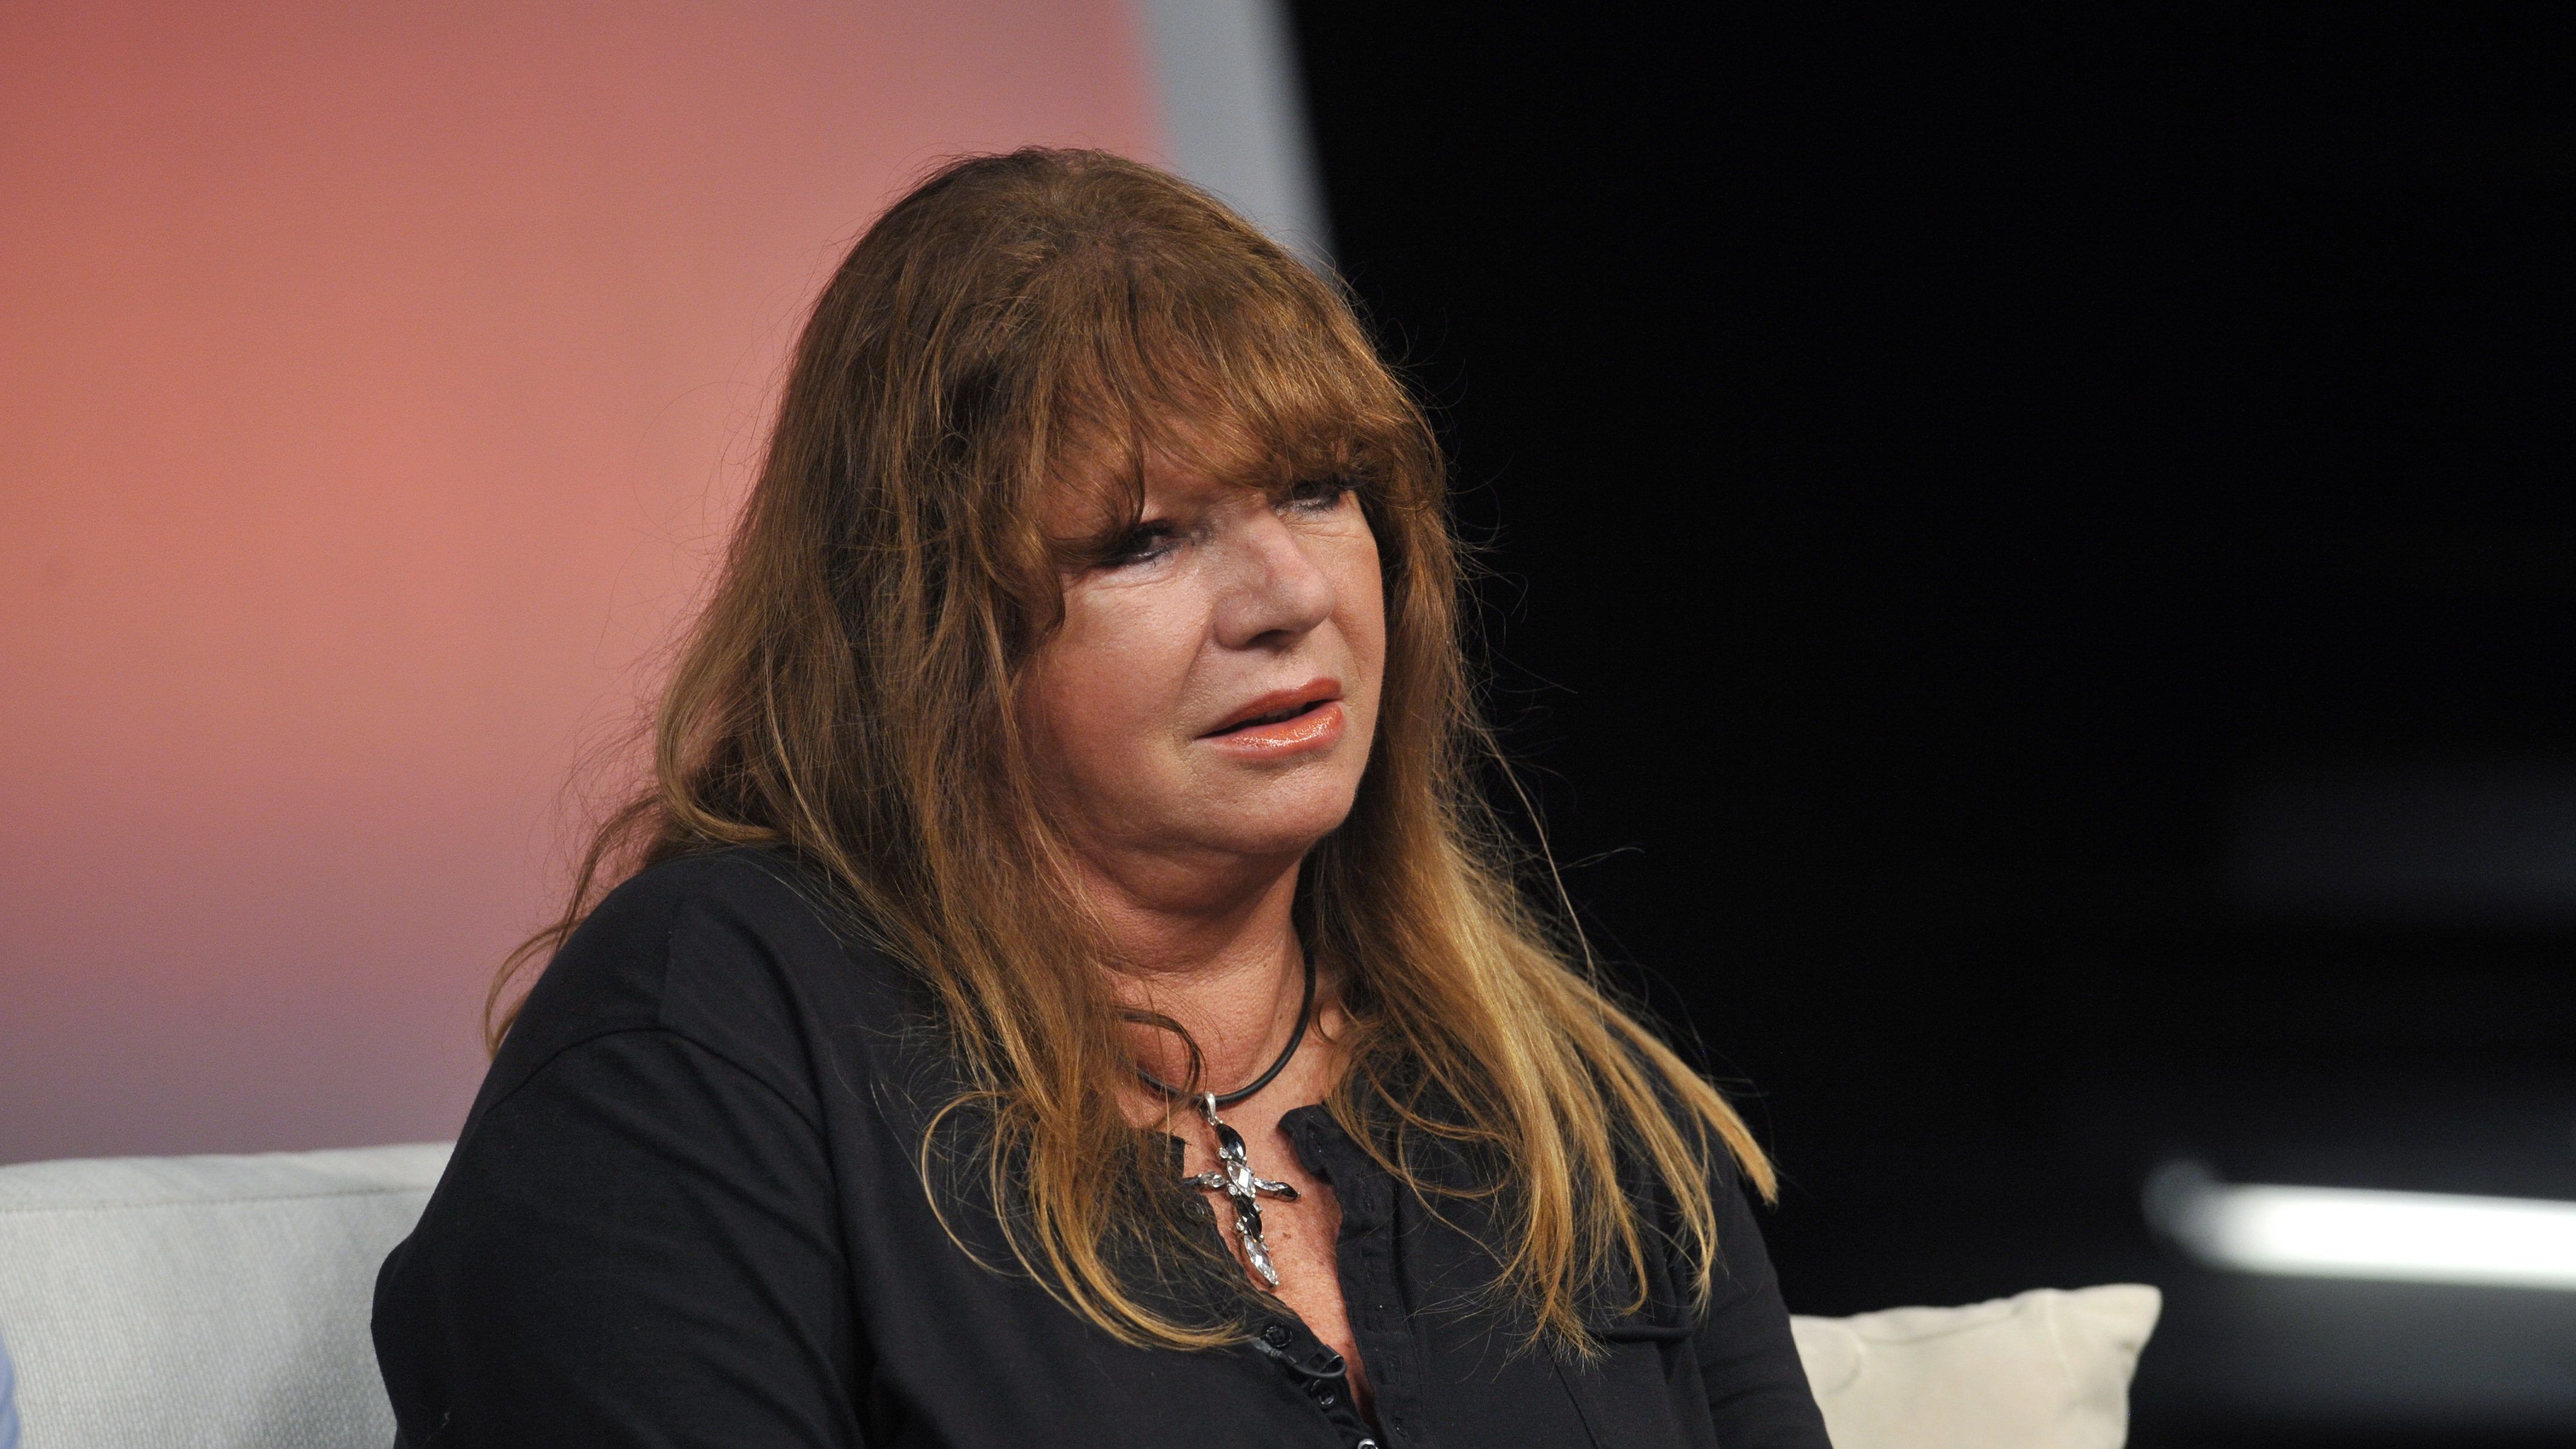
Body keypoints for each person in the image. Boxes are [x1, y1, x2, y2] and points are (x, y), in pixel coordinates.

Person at [372, 148, 1829, 1448]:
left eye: (1317, 490)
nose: (1288, 597)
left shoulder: (1574, 1110)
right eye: (1143, 540)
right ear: (924, 632)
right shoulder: (708, 1036)